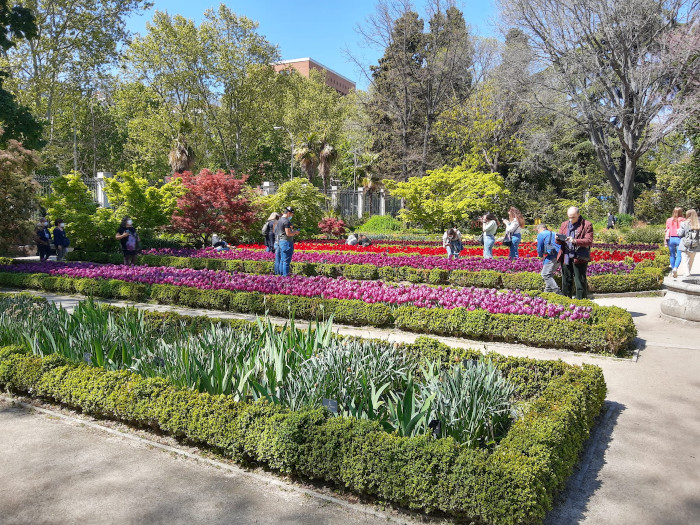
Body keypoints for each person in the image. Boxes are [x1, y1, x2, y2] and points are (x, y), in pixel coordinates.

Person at [556, 206, 594, 299]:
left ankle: (581, 303)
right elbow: (559, 241)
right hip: (566, 256)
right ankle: (566, 302)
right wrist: (558, 239)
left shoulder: (587, 224)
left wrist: (575, 241)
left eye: (573, 217)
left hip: (579, 257)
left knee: (580, 281)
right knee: (566, 281)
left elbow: (589, 240)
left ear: (578, 214)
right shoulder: (564, 224)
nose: (570, 219)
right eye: (569, 217)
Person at [536, 223, 561, 294]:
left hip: (553, 255)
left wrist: (540, 255)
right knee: (549, 273)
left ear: (539, 229)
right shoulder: (554, 233)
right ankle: (547, 291)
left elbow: (539, 248)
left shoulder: (541, 234)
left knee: (545, 274)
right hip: (560, 255)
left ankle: (557, 291)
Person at [274, 207, 299, 276]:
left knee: (282, 260)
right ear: (288, 213)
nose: (291, 216)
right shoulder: (286, 221)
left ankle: (281, 276)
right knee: (286, 262)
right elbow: (288, 233)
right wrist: (295, 232)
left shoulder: (280, 220)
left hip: (281, 241)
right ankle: (285, 277)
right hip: (286, 242)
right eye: (291, 214)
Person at [676, 209, 700, 278]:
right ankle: (688, 271)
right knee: (691, 259)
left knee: (685, 259)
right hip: (695, 244)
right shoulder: (698, 224)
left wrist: (677, 231)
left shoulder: (684, 223)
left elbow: (680, 234)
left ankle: (687, 273)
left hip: (685, 244)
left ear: (688, 215)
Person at [665, 207, 685, 274]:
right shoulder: (683, 220)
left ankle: (673, 269)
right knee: (679, 255)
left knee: (672, 255)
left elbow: (666, 230)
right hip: (680, 239)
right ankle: (676, 268)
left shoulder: (668, 220)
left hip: (671, 239)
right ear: (681, 212)